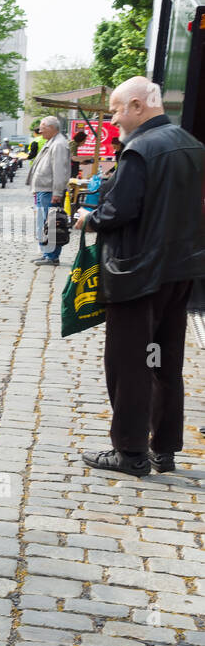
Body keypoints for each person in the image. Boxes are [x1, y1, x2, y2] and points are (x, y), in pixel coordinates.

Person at [71, 76, 205, 477]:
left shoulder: (140, 150)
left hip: (138, 273)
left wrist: (88, 219)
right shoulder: (193, 145)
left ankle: (130, 452)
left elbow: (120, 210)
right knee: (164, 361)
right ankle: (164, 449)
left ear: (136, 105)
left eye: (115, 109)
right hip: (179, 272)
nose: (113, 118)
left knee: (130, 362)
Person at [25, 115, 70, 265]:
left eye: (42, 128)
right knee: (44, 224)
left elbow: (59, 170)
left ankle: (52, 256)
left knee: (51, 223)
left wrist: (57, 193)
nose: (40, 131)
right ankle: (46, 253)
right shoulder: (52, 142)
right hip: (44, 190)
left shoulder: (58, 144)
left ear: (51, 128)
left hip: (50, 191)